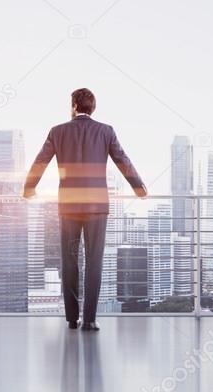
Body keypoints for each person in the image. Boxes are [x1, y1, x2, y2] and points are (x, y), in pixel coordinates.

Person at [23, 88, 147, 331]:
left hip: (68, 205)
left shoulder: (57, 131)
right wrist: (138, 187)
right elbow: (123, 159)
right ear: (93, 108)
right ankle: (89, 320)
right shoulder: (106, 131)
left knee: (69, 261)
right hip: (96, 207)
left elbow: (40, 161)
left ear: (73, 106)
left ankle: (71, 318)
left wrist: (29, 188)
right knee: (94, 261)